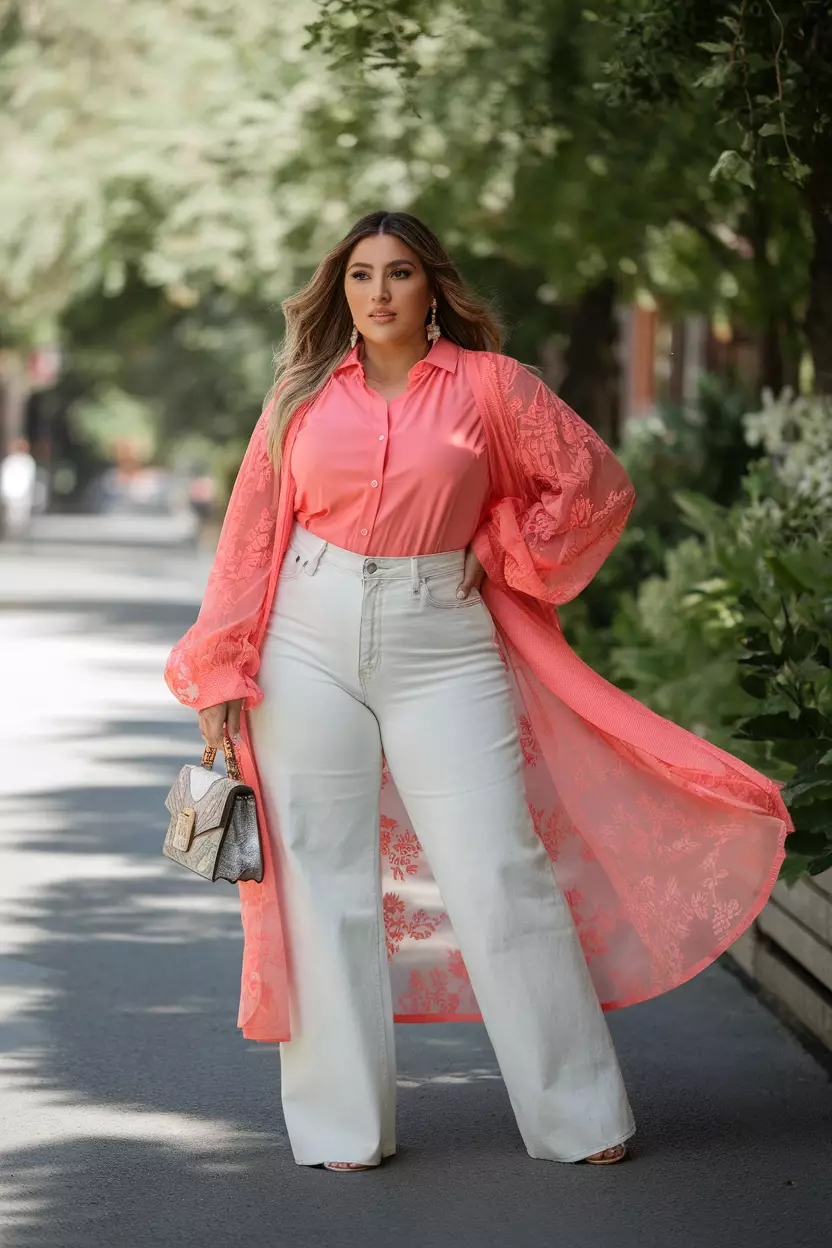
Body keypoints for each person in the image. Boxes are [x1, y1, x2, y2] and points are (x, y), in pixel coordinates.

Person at [164, 211, 791, 1173]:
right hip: (307, 634)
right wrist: (222, 663)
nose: (379, 293)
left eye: (399, 273)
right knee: (323, 881)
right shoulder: (299, 397)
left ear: (431, 287)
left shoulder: (493, 387)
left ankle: (577, 1117)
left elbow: (593, 485)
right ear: (341, 291)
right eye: (362, 276)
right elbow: (253, 533)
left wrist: (505, 548)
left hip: (443, 638)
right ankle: (343, 1129)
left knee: (501, 867)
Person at [0, 437, 37, 537]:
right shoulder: (9, 461)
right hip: (11, 493)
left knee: (21, 516)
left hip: (22, 493)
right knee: (11, 516)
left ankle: (19, 534)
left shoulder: (27, 461)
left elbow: (29, 479)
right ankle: (12, 533)